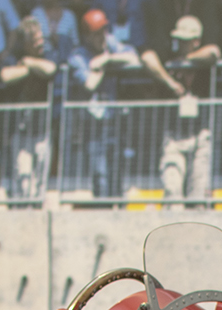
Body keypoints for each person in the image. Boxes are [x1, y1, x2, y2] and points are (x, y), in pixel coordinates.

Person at [146, 12, 220, 205]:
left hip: (199, 136)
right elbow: (147, 57)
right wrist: (171, 82)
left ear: (196, 41)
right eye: (179, 40)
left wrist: (188, 59)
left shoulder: (203, 63)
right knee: (172, 189)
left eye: (186, 40)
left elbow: (214, 52)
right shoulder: (169, 60)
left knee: (198, 195)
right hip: (174, 136)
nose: (181, 44)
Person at [67, 7, 139, 201]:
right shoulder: (78, 56)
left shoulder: (110, 45)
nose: (102, 37)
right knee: (101, 175)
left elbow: (133, 57)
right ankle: (102, 211)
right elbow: (90, 83)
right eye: (97, 33)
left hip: (115, 121)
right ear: (87, 36)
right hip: (94, 124)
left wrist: (106, 60)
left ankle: (117, 211)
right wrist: (100, 68)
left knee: (117, 172)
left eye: (104, 31)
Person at [0, 16, 55, 199]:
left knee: (40, 182)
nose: (40, 44)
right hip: (20, 131)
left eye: (41, 39)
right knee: (23, 182)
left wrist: (29, 63)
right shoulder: (12, 57)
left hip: (42, 130)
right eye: (34, 41)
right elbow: (6, 75)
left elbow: (50, 69)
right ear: (24, 43)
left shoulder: (48, 52)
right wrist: (30, 69)